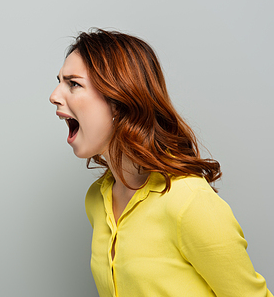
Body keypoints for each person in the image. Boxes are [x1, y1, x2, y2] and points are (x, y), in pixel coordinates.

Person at [49, 29, 272, 297]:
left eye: (73, 84)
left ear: (119, 101)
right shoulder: (97, 199)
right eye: (59, 82)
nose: (54, 95)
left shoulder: (189, 202)